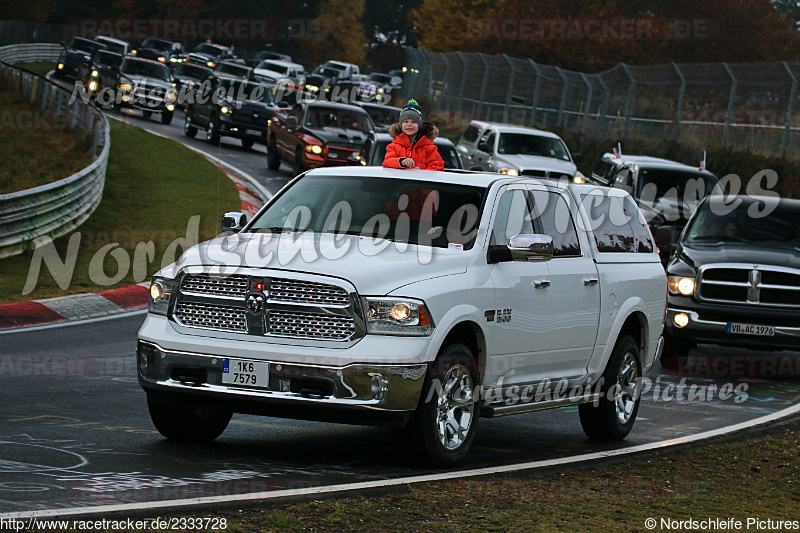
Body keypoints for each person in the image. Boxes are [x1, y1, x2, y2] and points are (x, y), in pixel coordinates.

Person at [383, 99, 444, 171]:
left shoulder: (429, 148)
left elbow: (438, 166)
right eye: (406, 121)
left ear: (420, 125)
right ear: (401, 125)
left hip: (420, 181)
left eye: (414, 122)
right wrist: (401, 162)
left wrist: (422, 172)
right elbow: (387, 162)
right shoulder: (393, 146)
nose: (409, 125)